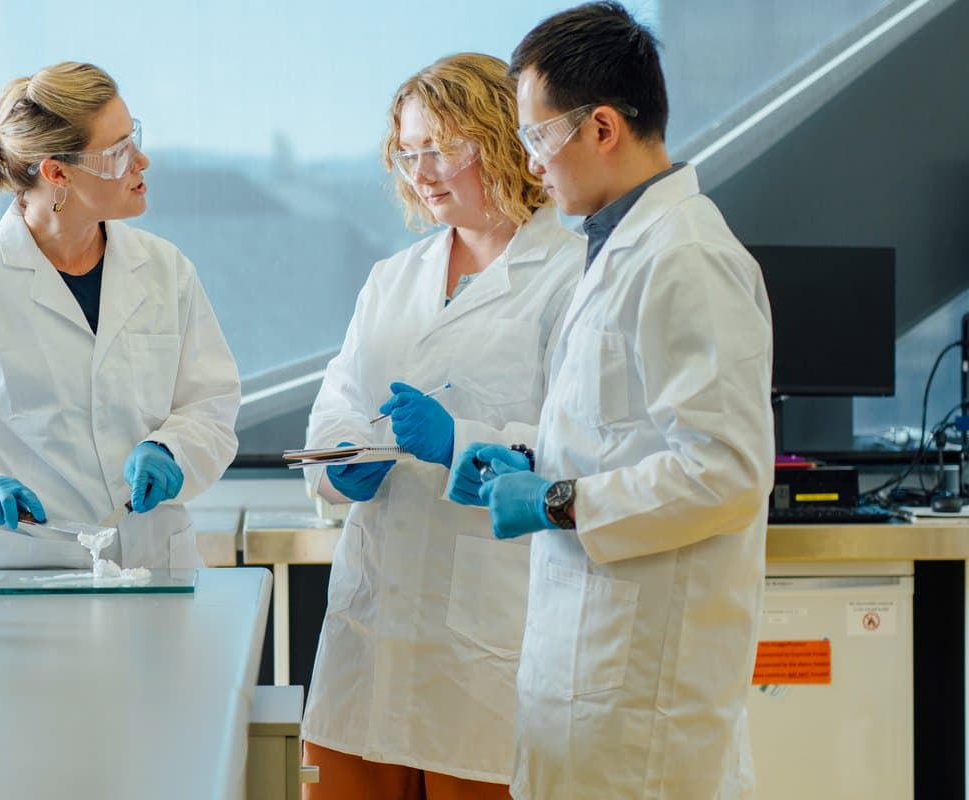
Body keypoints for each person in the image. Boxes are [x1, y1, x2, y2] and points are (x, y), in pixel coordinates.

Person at [446, 5, 774, 798]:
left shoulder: (686, 257)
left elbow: (726, 473)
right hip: (592, 687)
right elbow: (622, 434)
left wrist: (556, 499)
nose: (530, 166)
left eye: (535, 138)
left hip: (644, 711)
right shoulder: (616, 246)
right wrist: (529, 463)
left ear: (599, 128)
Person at [299, 53, 584, 799]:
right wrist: (338, 461)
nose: (421, 171)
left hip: (487, 640)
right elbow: (337, 401)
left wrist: (457, 440)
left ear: (502, 140)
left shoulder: (574, 274)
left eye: (441, 148)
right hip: (370, 633)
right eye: (407, 151)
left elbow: (584, 448)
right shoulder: (393, 279)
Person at [0, 63, 239, 572]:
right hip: (23, 577)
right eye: (119, 150)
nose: (141, 160)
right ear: (57, 173)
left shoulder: (166, 271)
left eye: (135, 138)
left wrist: (173, 451)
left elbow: (210, 403)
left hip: (154, 574)